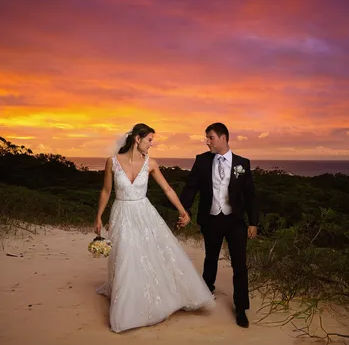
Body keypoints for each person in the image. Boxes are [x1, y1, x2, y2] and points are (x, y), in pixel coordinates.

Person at [94, 123, 215, 333]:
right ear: (137, 139)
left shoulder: (151, 164)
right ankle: (126, 310)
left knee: (149, 254)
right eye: (149, 139)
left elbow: (167, 189)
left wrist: (182, 211)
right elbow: (106, 191)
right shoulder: (112, 162)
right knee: (126, 256)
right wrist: (98, 216)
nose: (152, 143)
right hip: (122, 213)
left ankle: (155, 298)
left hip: (144, 213)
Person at [178, 122, 258, 328]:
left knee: (240, 264)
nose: (207, 142)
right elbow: (191, 187)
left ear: (223, 138)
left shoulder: (243, 163)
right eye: (206, 138)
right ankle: (206, 294)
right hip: (211, 218)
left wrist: (254, 222)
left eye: (210, 138)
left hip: (235, 221)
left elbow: (250, 195)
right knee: (210, 258)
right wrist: (183, 209)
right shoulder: (202, 161)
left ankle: (241, 309)